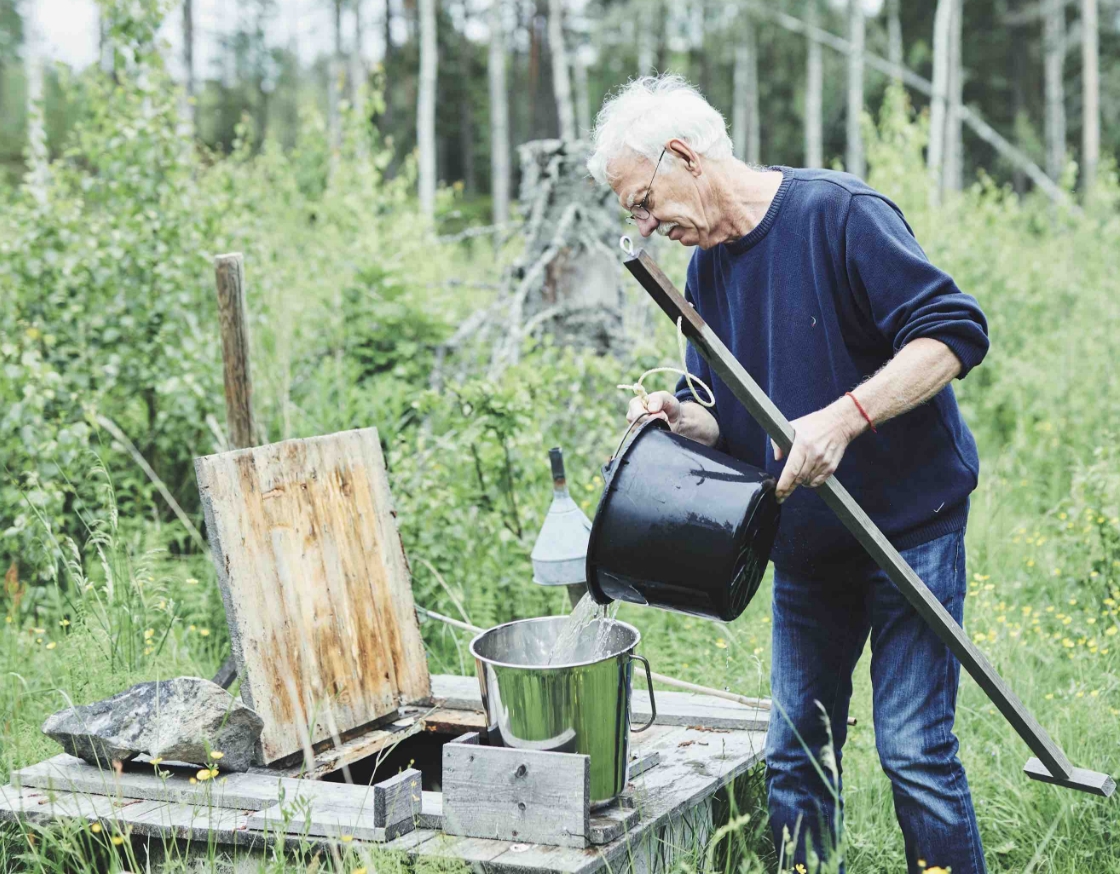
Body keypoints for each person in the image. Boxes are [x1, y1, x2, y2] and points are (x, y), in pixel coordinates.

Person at [587, 75, 989, 874]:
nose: (644, 224)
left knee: (913, 752)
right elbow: (740, 425)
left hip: (908, 531)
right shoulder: (705, 274)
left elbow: (953, 332)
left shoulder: (836, 216)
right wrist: (683, 422)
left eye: (641, 202)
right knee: (796, 756)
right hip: (807, 553)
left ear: (681, 158)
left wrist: (845, 416)